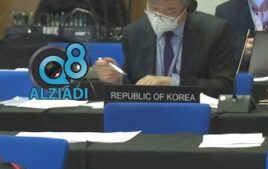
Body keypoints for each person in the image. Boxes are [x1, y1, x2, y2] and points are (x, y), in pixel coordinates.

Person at [94, 0, 234, 97]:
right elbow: (133, 83)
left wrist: (173, 82)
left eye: (170, 10)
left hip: (193, 113)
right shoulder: (133, 32)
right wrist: (117, 79)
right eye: (153, 8)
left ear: (188, 8)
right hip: (147, 113)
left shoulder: (214, 31)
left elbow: (225, 85)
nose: (159, 16)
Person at [36, 0, 129, 27]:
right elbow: (38, 24)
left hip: (101, 46)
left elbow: (122, 28)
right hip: (58, 46)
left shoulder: (110, 2)